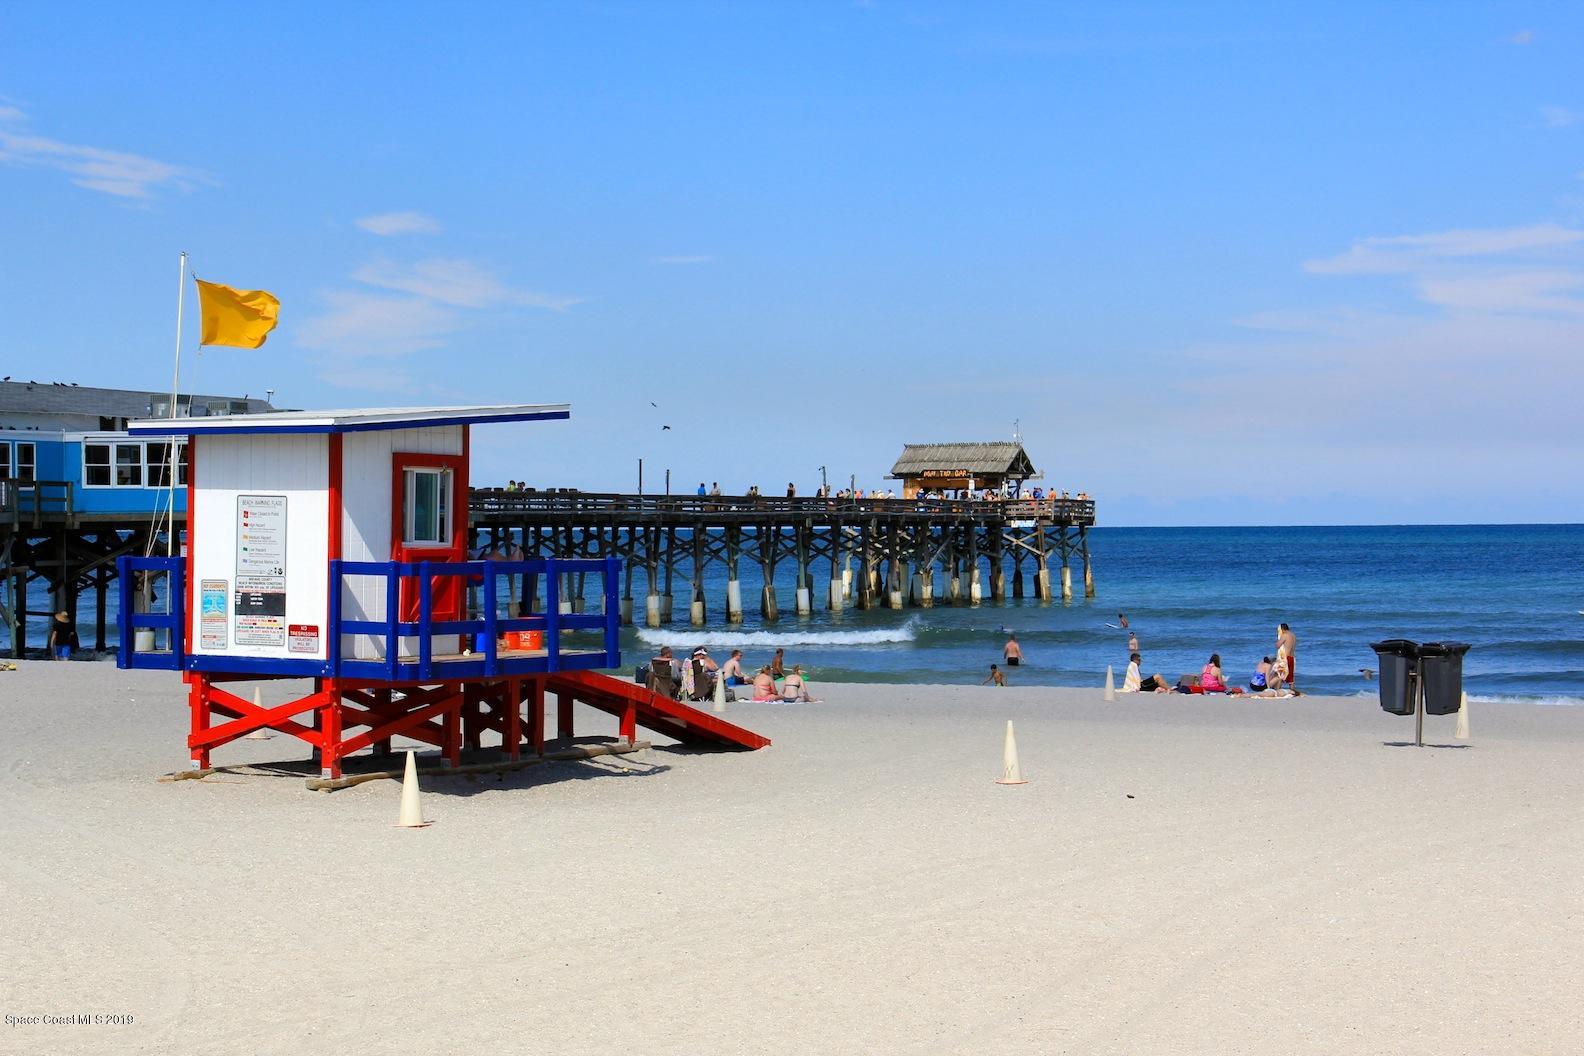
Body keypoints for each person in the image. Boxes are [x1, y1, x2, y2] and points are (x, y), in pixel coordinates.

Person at [1276, 623, 1297, 690]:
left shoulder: (1284, 635)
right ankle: (1292, 691)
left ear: (1282, 629)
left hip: (1285, 658)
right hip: (1292, 658)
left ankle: (1278, 691)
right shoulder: (1293, 635)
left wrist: (1279, 636)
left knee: (1280, 676)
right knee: (1291, 678)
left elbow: (1277, 645)